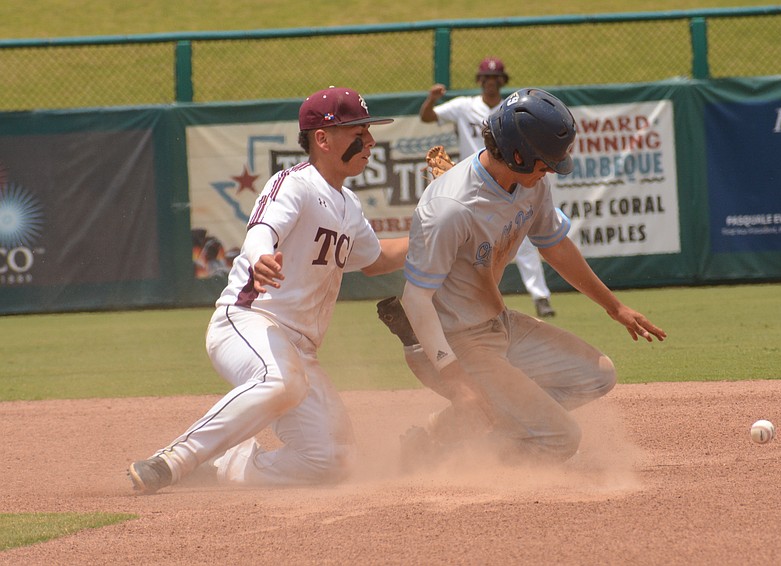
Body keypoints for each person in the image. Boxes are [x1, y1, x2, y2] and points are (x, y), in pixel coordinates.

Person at [128, 87, 407, 494]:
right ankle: (173, 459)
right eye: (357, 131)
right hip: (248, 322)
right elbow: (263, 228)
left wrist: (433, 230)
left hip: (300, 351)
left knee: (334, 460)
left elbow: (377, 258)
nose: (370, 141)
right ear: (323, 139)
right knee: (282, 382)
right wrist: (259, 255)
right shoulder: (295, 184)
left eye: (367, 130)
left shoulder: (348, 205)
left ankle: (229, 467)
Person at [381, 88, 665, 465]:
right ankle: (459, 460)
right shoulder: (450, 208)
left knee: (598, 376)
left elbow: (555, 246)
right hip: (456, 342)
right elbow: (415, 300)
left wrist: (615, 307)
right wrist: (457, 381)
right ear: (517, 154)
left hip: (499, 325)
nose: (549, 171)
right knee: (560, 440)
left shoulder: (530, 182)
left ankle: (452, 431)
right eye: (545, 163)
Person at [419, 56, 556, 318]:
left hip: (511, 182)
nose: (490, 84)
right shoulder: (463, 106)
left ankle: (540, 297)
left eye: (495, 79)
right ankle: (456, 303)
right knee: (471, 248)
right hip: (473, 187)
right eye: (485, 79)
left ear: (502, 81)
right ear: (479, 82)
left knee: (524, 239)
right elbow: (427, 117)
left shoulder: (512, 110)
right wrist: (431, 99)